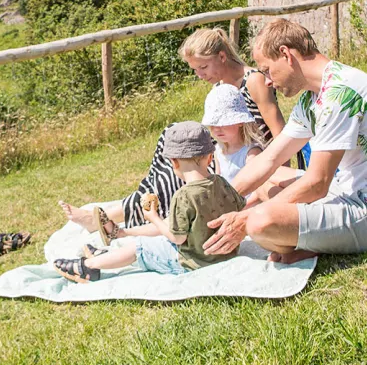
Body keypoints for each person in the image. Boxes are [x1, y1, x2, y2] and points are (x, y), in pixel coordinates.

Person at [58, 27, 284, 233]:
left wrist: (275, 182)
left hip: (248, 159)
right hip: (225, 150)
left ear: (222, 57)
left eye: (203, 67)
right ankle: (141, 204)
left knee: (178, 172)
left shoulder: (253, 80)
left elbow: (280, 135)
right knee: (172, 136)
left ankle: (111, 215)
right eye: (195, 69)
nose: (200, 75)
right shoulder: (219, 86)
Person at [202, 18, 367, 264]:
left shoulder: (340, 94)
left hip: (360, 203)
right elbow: (269, 159)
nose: (266, 81)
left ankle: (314, 240)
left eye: (267, 70)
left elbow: (318, 183)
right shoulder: (312, 98)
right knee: (263, 182)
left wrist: (245, 218)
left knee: (260, 223)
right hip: (342, 186)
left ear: (285, 54)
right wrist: (218, 202)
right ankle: (314, 240)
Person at [53, 122, 246, 283]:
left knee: (141, 248)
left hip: (193, 261)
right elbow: (240, 207)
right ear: (210, 157)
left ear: (174, 163)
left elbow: (177, 238)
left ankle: (88, 267)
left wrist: (153, 217)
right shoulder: (221, 183)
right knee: (155, 240)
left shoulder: (183, 196)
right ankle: (106, 255)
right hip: (224, 254)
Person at [92, 83, 264, 244]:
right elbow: (217, 178)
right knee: (177, 217)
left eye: (224, 123)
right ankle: (122, 233)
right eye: (213, 124)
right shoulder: (219, 148)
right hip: (220, 202)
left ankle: (126, 232)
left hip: (237, 207)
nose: (217, 129)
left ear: (240, 121)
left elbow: (258, 191)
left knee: (181, 223)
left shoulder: (251, 152)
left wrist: (234, 210)